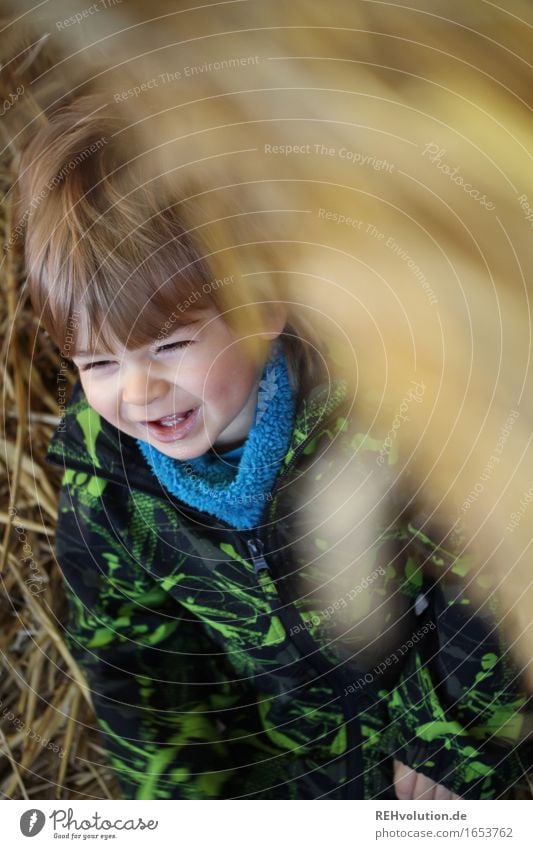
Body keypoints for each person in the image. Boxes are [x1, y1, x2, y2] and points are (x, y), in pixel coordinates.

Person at [17, 98, 531, 800]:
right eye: (97, 364)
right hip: (311, 774)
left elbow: (489, 576)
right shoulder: (106, 488)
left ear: (262, 303)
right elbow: (140, 668)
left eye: (168, 346)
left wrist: (452, 744)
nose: (136, 392)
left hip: (469, 747)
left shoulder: (383, 405)